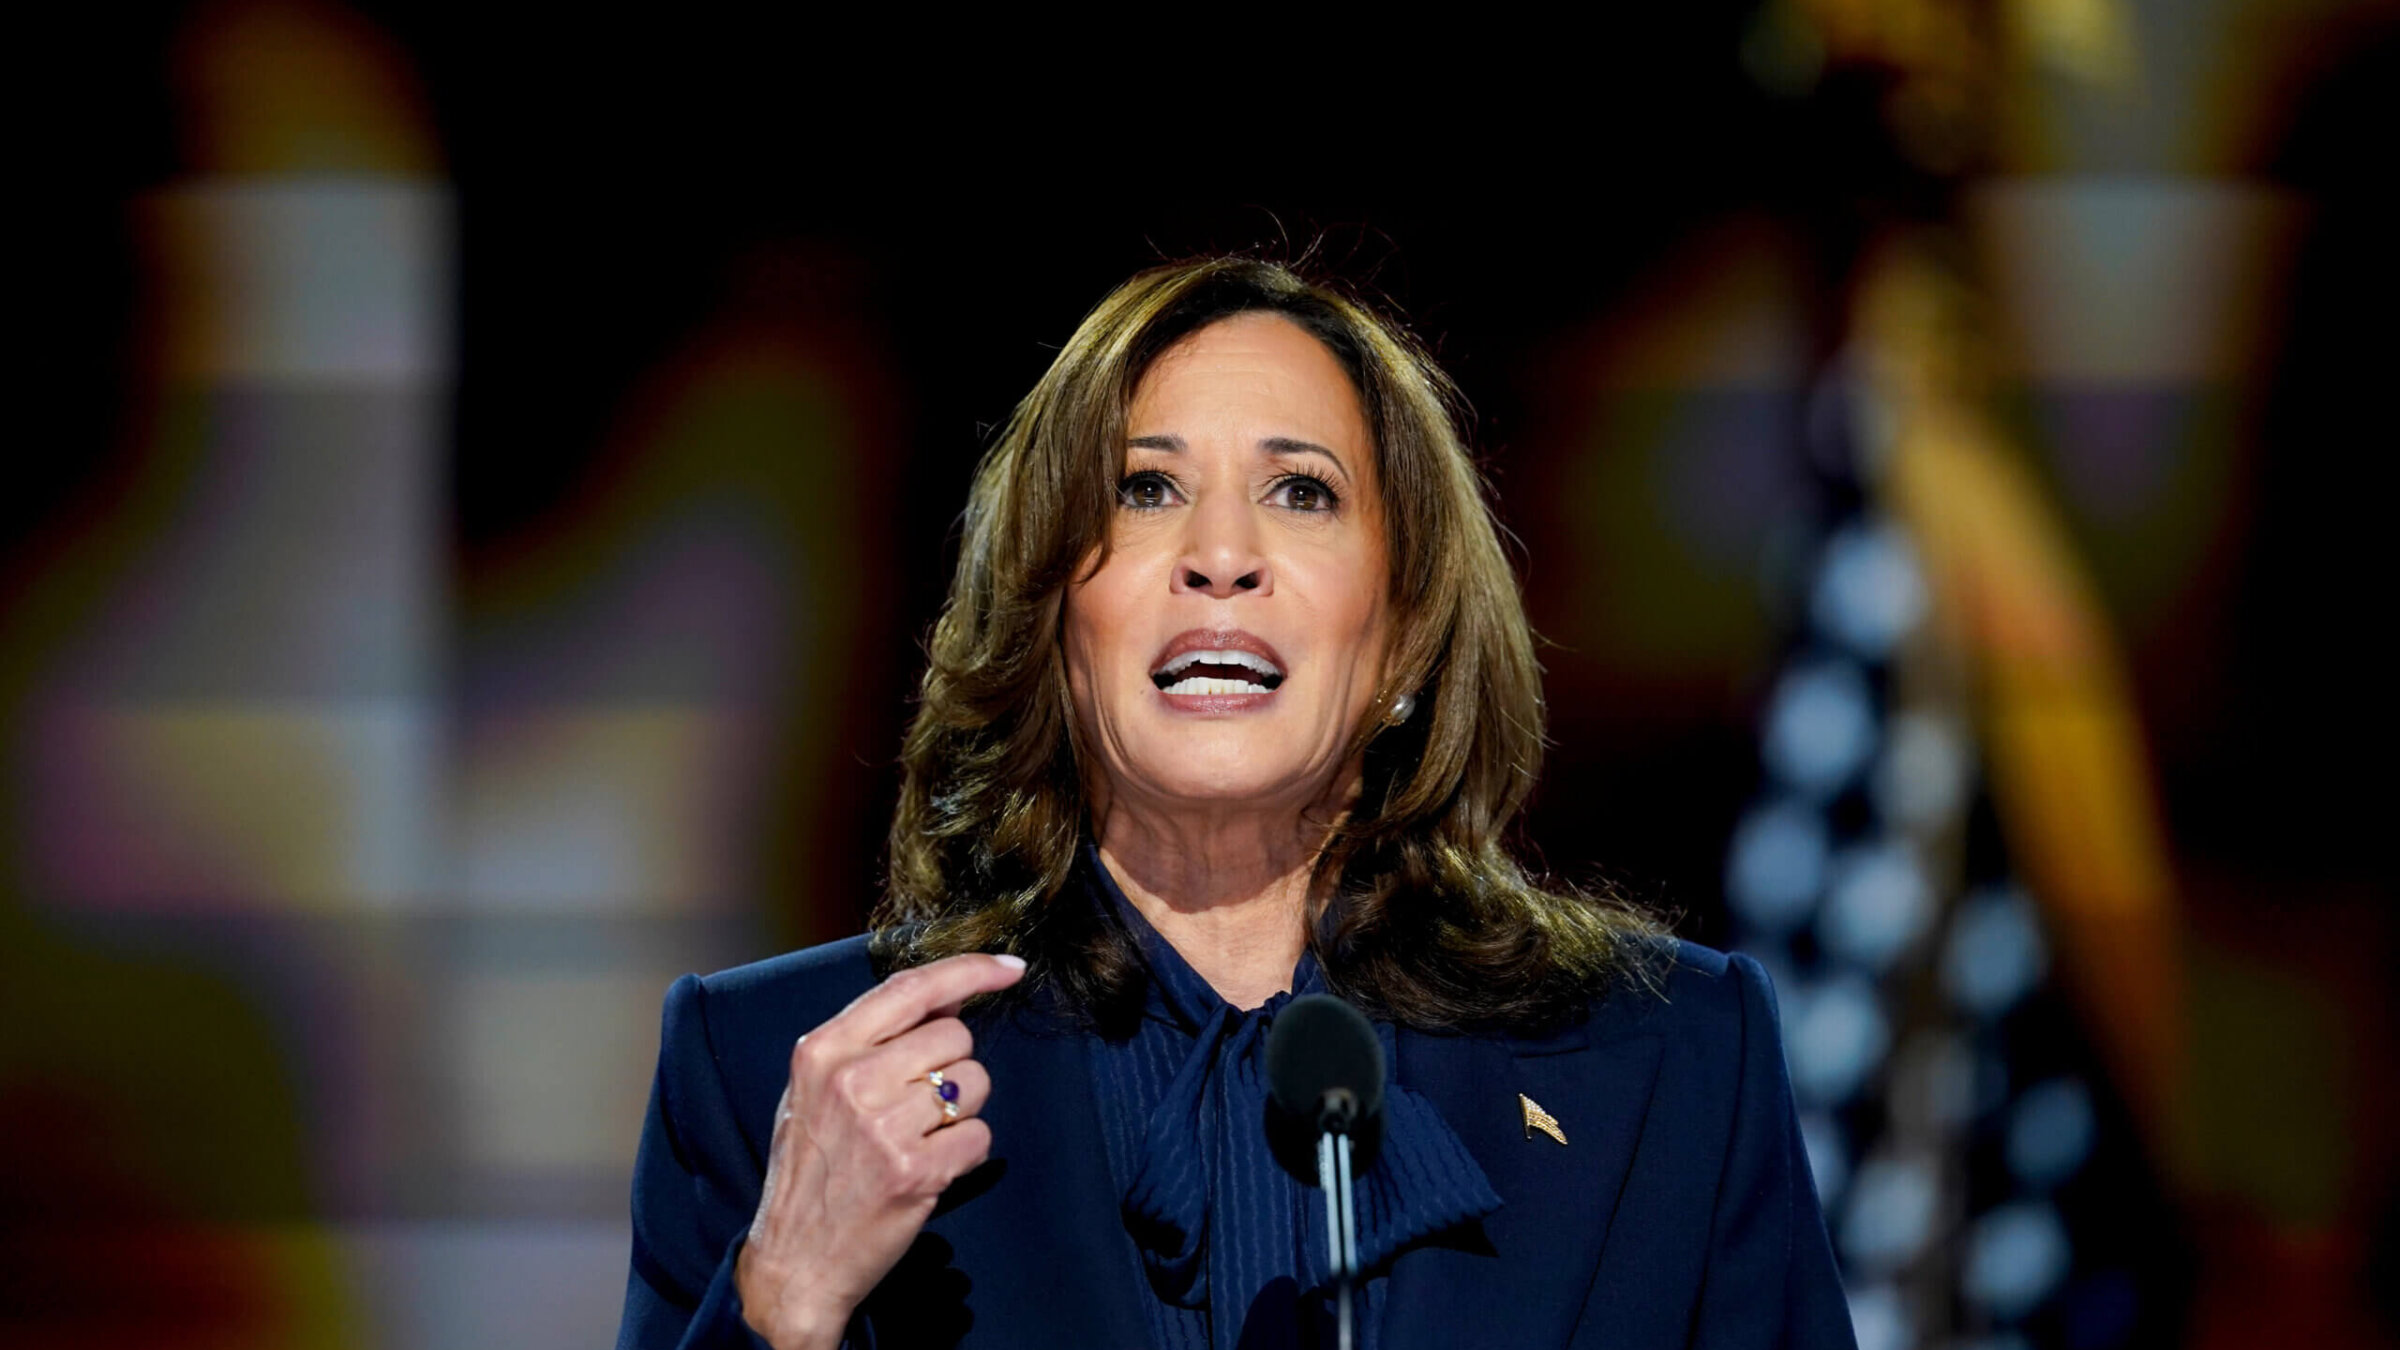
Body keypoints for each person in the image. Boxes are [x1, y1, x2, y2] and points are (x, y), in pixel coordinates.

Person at [615, 257, 1855, 1349]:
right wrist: (783, 1304)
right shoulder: (778, 1071)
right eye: (1144, 488)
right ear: (1051, 614)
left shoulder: (1668, 1061)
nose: (1221, 552)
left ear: (1409, 636)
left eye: (1302, 491)